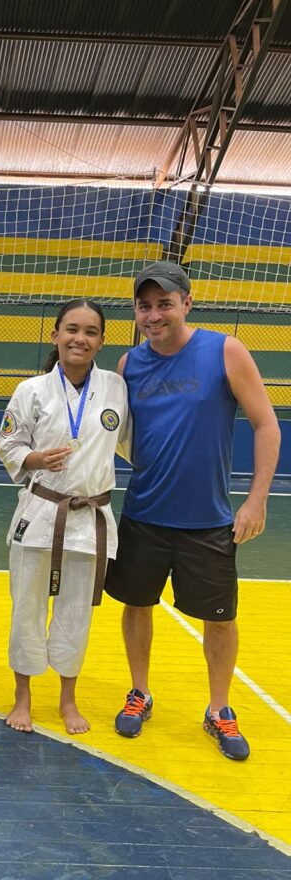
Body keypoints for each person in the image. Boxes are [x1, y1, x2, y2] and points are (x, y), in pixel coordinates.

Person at [105, 261, 281, 761]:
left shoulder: (225, 350)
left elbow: (266, 425)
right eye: (144, 305)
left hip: (208, 521)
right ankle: (140, 692)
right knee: (136, 606)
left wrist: (256, 499)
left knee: (220, 620)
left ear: (187, 302)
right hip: (143, 514)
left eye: (164, 303)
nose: (154, 314)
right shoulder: (128, 365)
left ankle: (219, 708)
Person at [0, 299, 130, 736]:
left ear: (101, 341)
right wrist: (36, 458)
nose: (80, 338)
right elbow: (7, 445)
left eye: (91, 332)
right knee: (27, 609)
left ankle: (67, 698)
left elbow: (131, 442)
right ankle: (23, 697)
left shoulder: (116, 388)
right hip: (41, 513)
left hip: (91, 518)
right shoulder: (31, 390)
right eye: (72, 329)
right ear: (55, 335)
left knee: (77, 613)